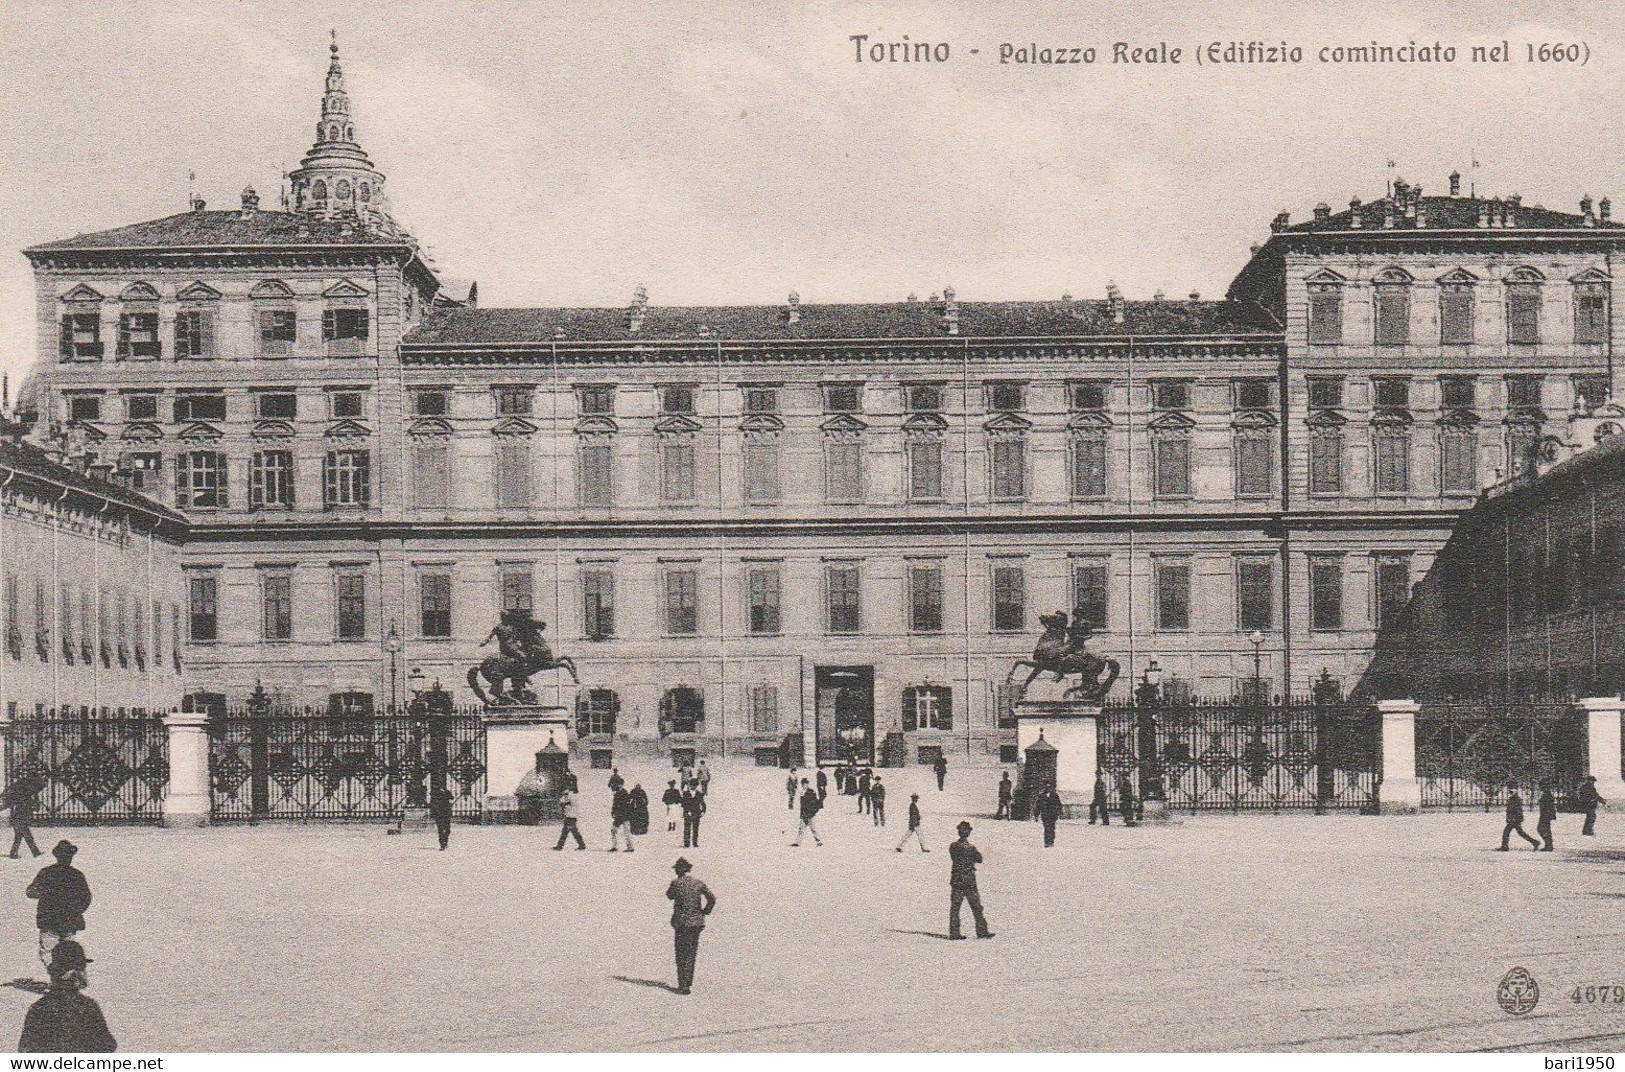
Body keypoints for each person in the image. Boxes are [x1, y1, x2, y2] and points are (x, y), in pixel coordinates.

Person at [17, 940, 115, 1053]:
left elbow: (25, 1050)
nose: (85, 973)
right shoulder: (88, 1006)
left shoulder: (38, 1008)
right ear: (75, 973)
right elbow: (108, 1046)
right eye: (82, 968)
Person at [27, 841, 91, 969]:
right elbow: (86, 897)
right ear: (70, 857)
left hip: (49, 918)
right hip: (69, 920)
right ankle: (68, 975)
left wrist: (45, 893)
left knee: (48, 951)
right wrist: (76, 911)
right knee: (69, 949)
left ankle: (57, 974)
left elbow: (30, 891)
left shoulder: (46, 872)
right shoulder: (76, 874)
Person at [666, 857, 716, 995]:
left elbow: (669, 896)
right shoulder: (699, 883)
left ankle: (683, 984)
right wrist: (705, 911)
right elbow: (712, 898)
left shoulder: (676, 883)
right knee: (691, 951)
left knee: (681, 952)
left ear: (678, 871)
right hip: (696, 923)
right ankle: (687, 982)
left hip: (681, 923)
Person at [947, 821, 993, 940]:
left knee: (955, 907)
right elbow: (979, 859)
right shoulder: (971, 848)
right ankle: (982, 931)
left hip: (957, 880)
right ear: (968, 833)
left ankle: (954, 932)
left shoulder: (953, 846)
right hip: (969, 880)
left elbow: (955, 857)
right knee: (976, 906)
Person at [5, 774, 44, 859]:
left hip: (18, 820)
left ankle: (14, 853)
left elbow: (35, 808)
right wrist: (36, 800)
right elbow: (35, 808)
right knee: (26, 837)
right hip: (20, 820)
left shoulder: (26, 797)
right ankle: (35, 852)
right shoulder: (27, 798)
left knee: (19, 837)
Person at [1499, 783, 1541, 851]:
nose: (1510, 793)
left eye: (1511, 792)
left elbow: (1517, 810)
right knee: (1520, 833)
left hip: (1514, 819)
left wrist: (1515, 818)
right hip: (1514, 819)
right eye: (1510, 792)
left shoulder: (1515, 799)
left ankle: (1504, 847)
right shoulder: (1514, 798)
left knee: (1507, 832)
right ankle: (1535, 842)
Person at [792, 779, 823, 847]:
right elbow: (802, 805)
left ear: (807, 784)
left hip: (810, 814)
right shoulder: (802, 792)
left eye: (805, 784)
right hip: (804, 814)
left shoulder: (811, 792)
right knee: (801, 829)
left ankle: (819, 841)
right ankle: (797, 842)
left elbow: (814, 803)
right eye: (803, 784)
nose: (804, 785)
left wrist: (812, 811)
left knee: (813, 829)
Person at [610, 785, 635, 852]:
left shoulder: (622, 794)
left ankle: (616, 846)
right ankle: (629, 847)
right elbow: (615, 805)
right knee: (620, 831)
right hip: (622, 816)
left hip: (622, 816)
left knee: (616, 830)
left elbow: (617, 805)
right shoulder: (622, 793)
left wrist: (614, 812)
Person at [681, 783, 706, 848]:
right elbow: (683, 804)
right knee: (687, 829)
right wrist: (686, 811)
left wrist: (703, 811)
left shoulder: (699, 794)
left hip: (696, 813)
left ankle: (695, 843)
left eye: (694, 785)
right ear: (689, 785)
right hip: (688, 813)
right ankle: (686, 843)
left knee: (695, 829)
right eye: (692, 785)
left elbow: (703, 803)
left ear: (696, 786)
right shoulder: (686, 793)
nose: (693, 786)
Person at [428, 785, 454, 850]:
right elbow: (432, 804)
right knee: (441, 829)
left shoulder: (446, 792)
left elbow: (452, 797)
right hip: (439, 814)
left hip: (446, 813)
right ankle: (443, 844)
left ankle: (445, 842)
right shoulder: (435, 794)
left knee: (447, 829)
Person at [1536, 781, 1557, 852]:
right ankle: (1549, 844)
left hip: (1545, 815)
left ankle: (1549, 845)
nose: (1540, 788)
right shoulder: (1547, 794)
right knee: (1545, 829)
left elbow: (1549, 806)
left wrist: (1549, 815)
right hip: (1545, 815)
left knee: (1541, 829)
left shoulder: (1547, 795)